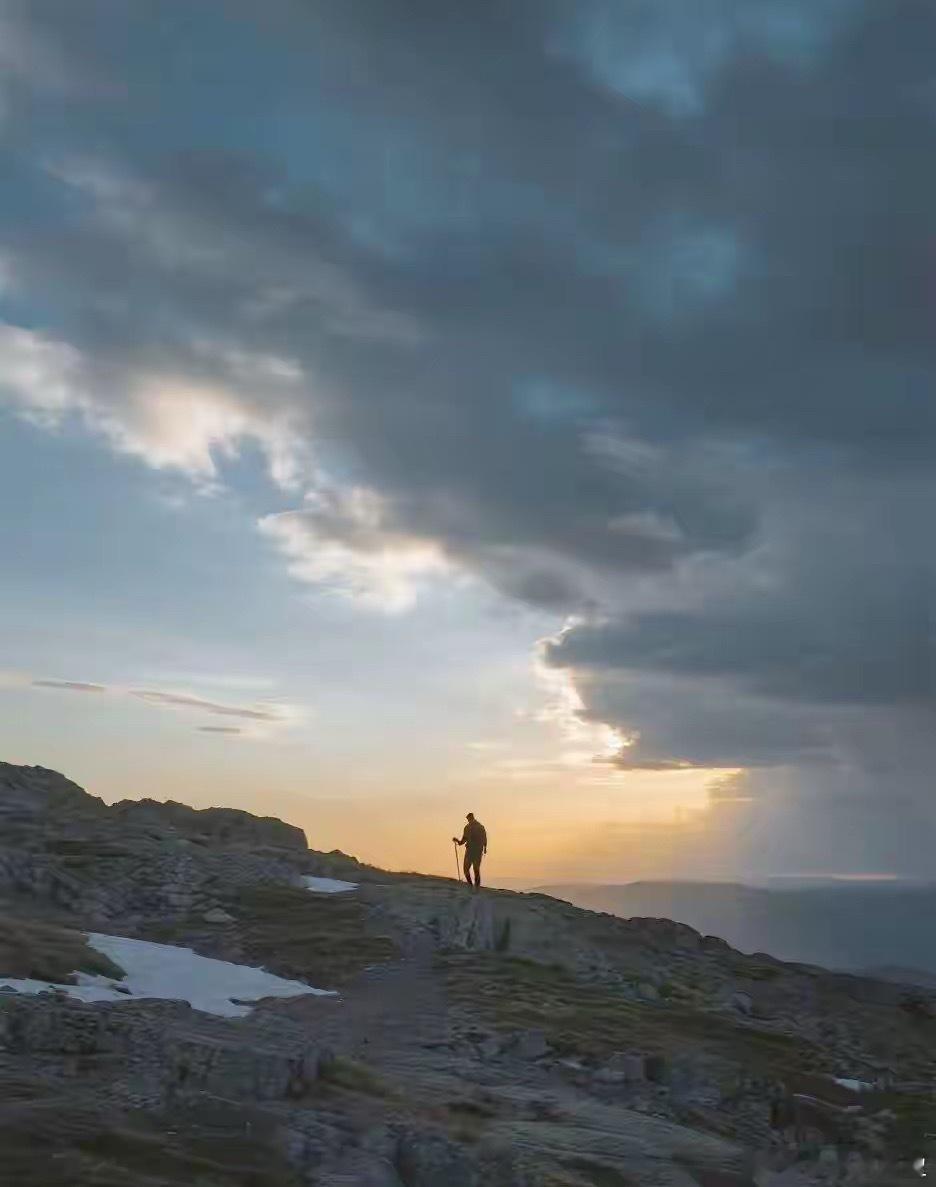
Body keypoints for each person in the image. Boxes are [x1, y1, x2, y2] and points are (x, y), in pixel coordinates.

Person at [453, 812, 487, 888]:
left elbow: (463, 841)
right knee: (475, 869)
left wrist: (457, 841)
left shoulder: (468, 827)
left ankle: (471, 886)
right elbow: (484, 838)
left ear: (469, 818)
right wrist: (485, 848)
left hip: (471, 851)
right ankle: (476, 887)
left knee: (466, 869)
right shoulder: (480, 827)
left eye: (468, 818)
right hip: (477, 851)